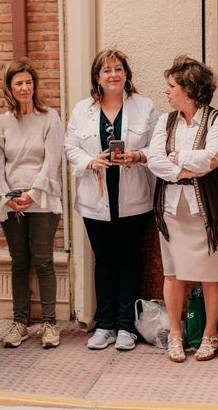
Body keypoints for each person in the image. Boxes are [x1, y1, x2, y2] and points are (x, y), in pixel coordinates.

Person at [64, 49, 158, 351]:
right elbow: (70, 147)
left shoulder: (145, 107)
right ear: (97, 77)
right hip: (96, 198)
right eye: (107, 71)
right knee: (104, 262)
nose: (113, 75)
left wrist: (138, 155)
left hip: (134, 198)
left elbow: (157, 148)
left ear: (126, 74)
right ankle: (104, 324)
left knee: (130, 260)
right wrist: (91, 162)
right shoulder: (82, 110)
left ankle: (126, 327)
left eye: (118, 69)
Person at [148, 55, 218, 363]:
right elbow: (154, 160)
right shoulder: (164, 120)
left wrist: (176, 157)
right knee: (173, 274)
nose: (167, 92)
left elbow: (214, 158)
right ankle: (175, 334)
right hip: (171, 209)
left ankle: (210, 335)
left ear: (189, 89)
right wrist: (183, 168)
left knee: (212, 276)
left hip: (208, 212)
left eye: (171, 86)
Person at [0, 58, 64, 349]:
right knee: (19, 262)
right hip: (12, 202)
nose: (24, 87)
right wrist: (8, 196)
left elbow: (53, 161)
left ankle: (49, 323)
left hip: (42, 200)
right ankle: (19, 322)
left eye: (28, 82)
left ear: (34, 85)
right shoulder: (2, 122)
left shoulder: (50, 117)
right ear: (10, 87)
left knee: (44, 261)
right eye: (18, 82)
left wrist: (32, 194)